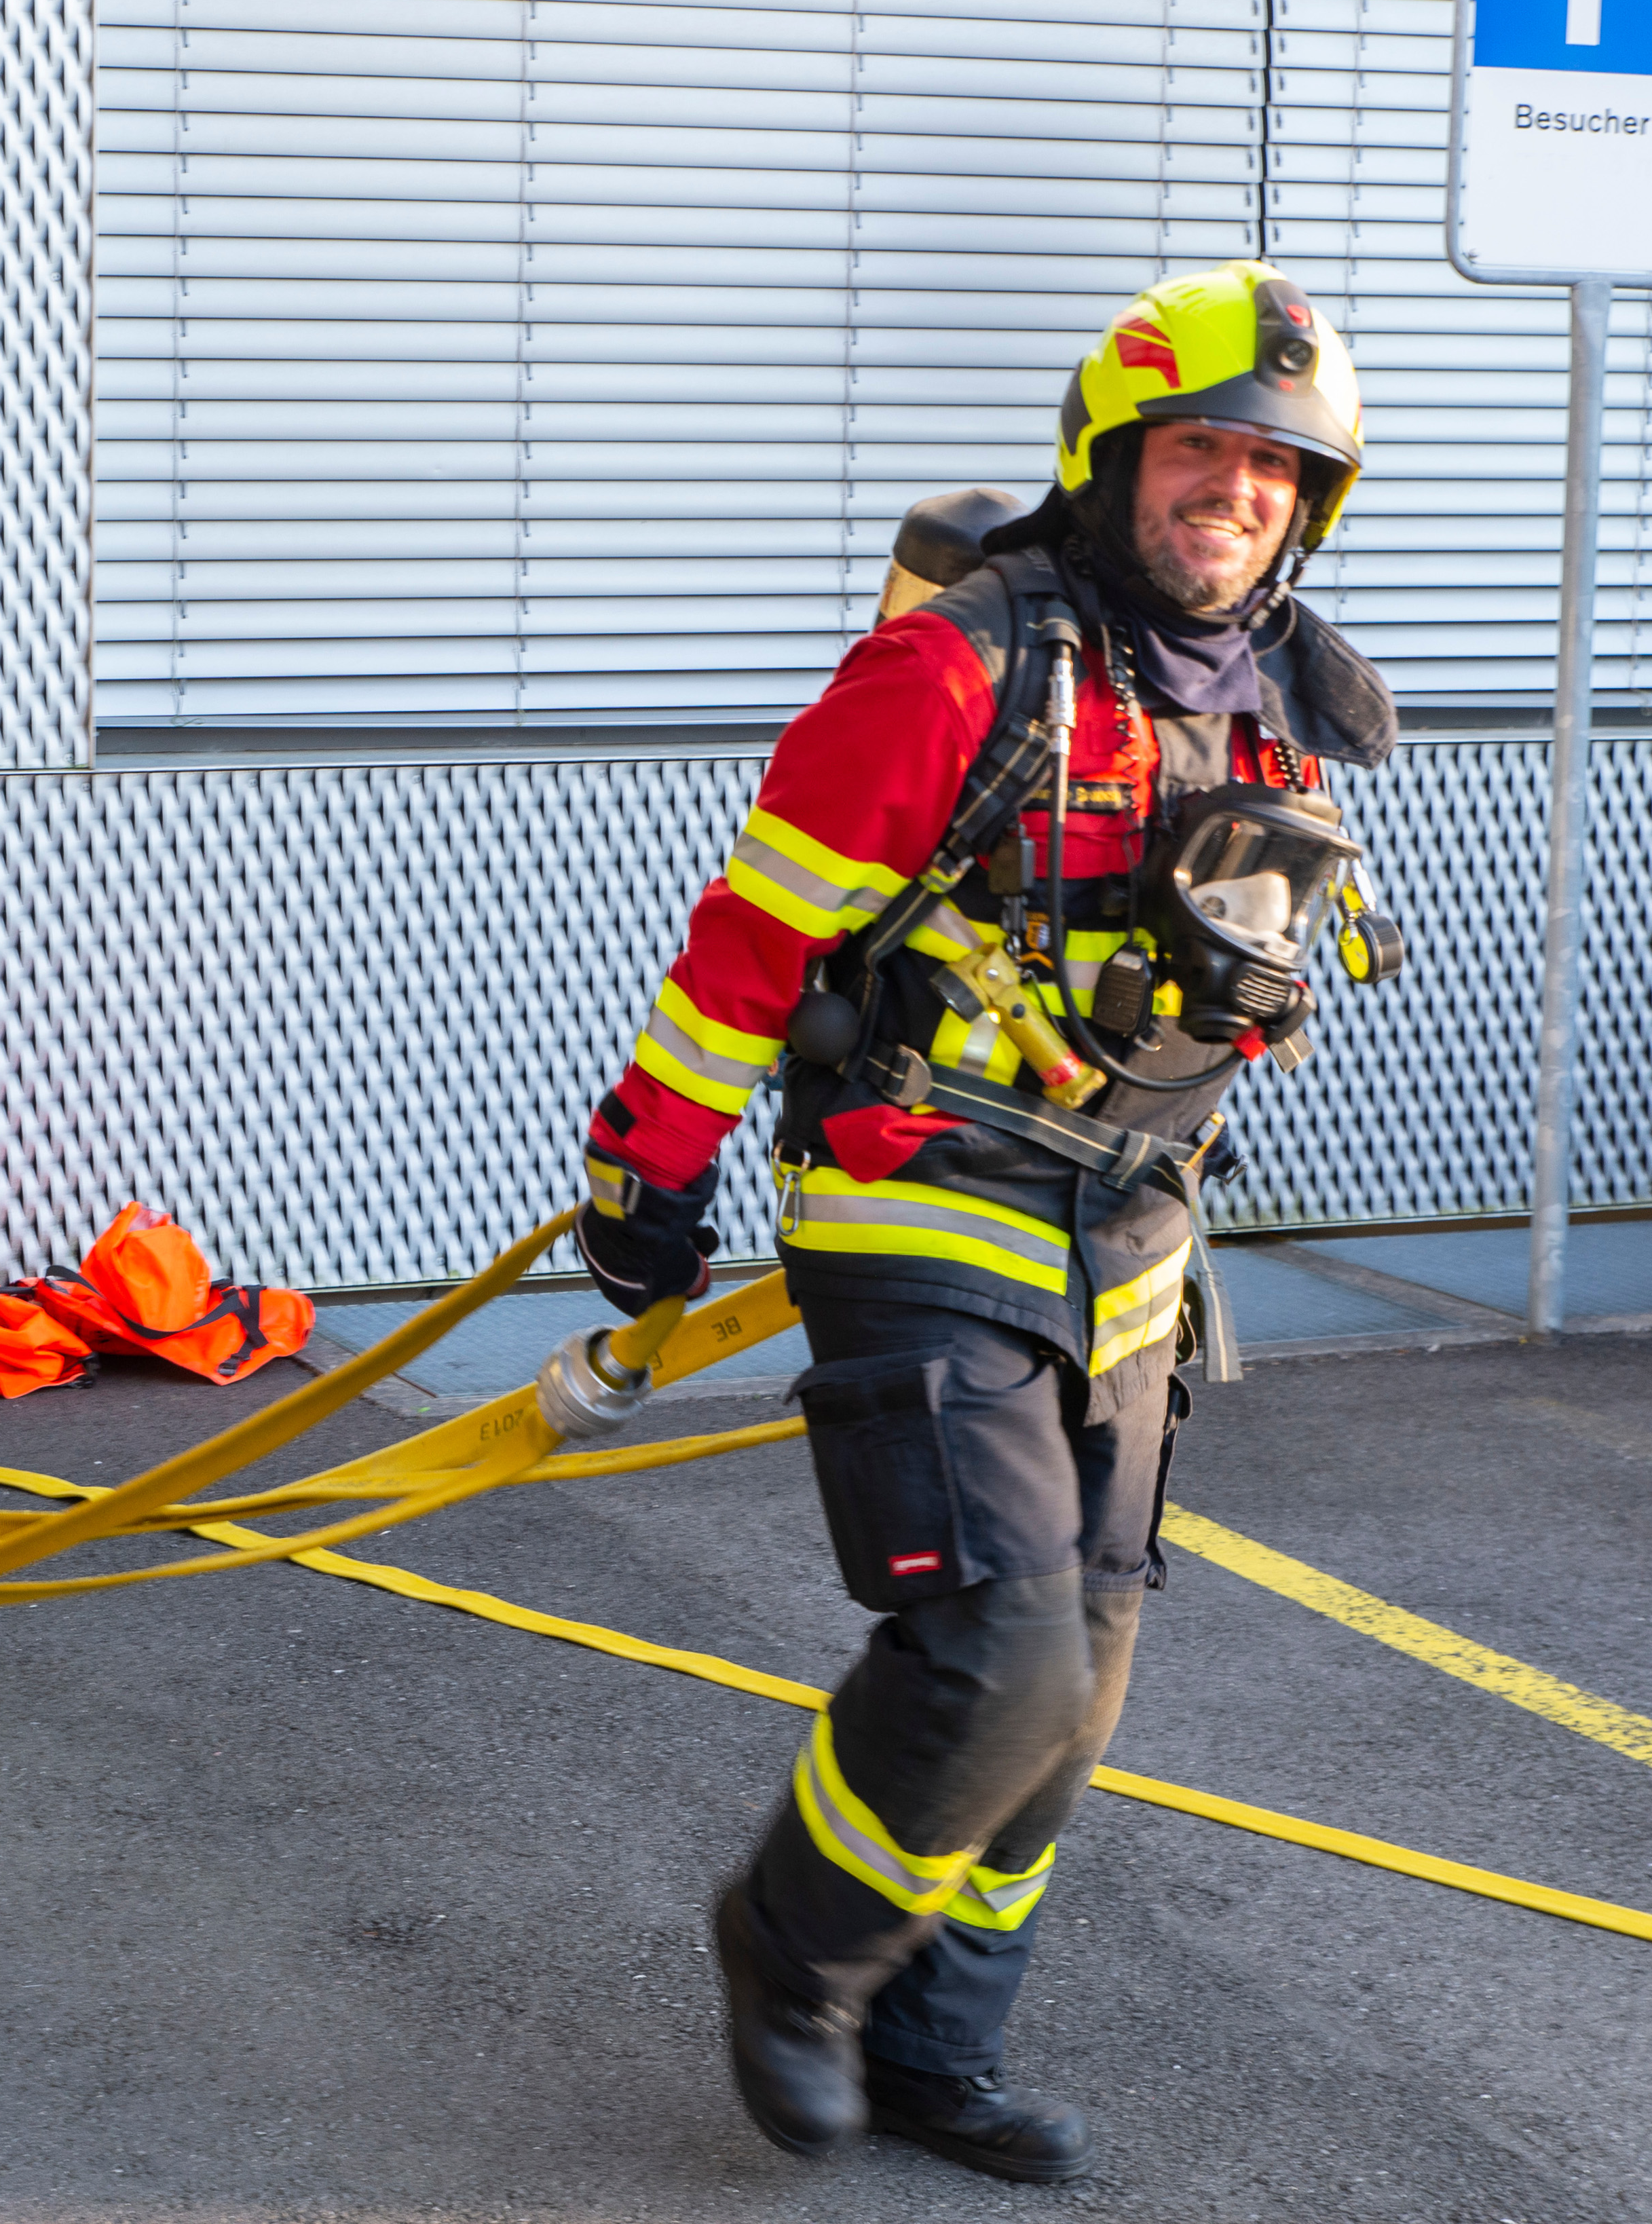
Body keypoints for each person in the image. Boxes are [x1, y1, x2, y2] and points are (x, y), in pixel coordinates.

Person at [574, 261, 1404, 2183]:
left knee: (1085, 1669)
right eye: (1202, 451)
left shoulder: (1288, 693)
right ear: (1113, 460)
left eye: (1277, 468)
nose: (1238, 492)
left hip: (1131, 1227)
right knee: (1003, 1644)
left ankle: (943, 2049)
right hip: (917, 1183)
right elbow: (756, 935)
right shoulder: (958, 666)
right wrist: (651, 1165)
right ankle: (794, 1954)